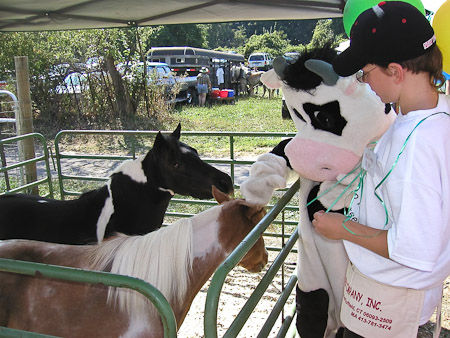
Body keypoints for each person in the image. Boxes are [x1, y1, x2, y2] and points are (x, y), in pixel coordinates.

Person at [312, 2, 450, 337]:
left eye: (365, 72)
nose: (364, 82)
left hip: (389, 307)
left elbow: (415, 249)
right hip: (390, 294)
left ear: (396, 72)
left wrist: (343, 228)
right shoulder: (431, 113)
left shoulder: (417, 145)